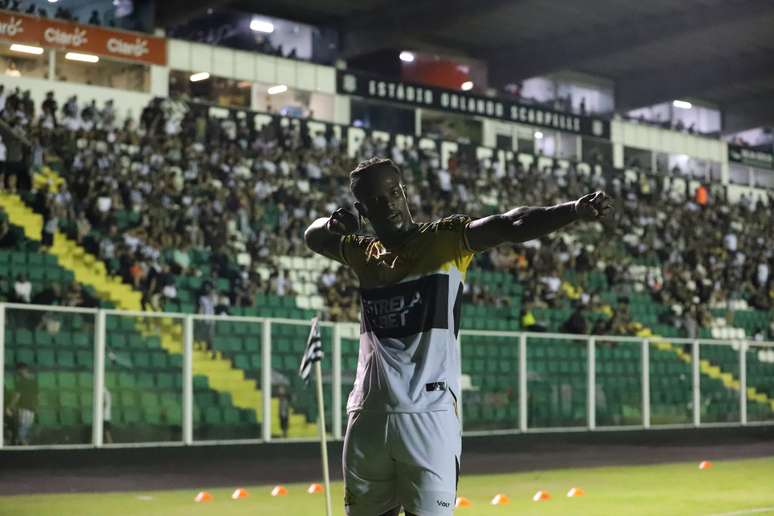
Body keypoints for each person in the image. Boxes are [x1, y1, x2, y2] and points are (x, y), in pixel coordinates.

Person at [304, 157, 611, 516]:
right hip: (390, 416)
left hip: (403, 413)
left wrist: (572, 210)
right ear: (363, 209)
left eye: (392, 192)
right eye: (375, 200)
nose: (387, 203)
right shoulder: (364, 251)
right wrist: (333, 222)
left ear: (404, 192)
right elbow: (314, 235)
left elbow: (510, 223)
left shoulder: (444, 240)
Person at [6, 362, 38, 445]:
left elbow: (17, 396)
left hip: (26, 408)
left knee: (24, 427)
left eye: (19, 371)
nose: (18, 373)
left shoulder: (23, 382)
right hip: (24, 407)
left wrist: (9, 407)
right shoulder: (32, 381)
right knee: (24, 427)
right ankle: (22, 443)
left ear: (22, 370)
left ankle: (21, 443)